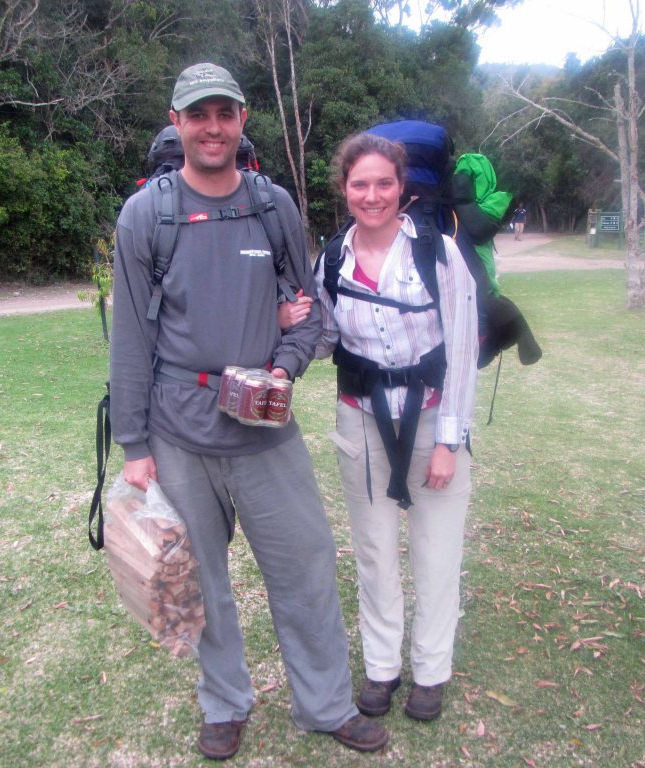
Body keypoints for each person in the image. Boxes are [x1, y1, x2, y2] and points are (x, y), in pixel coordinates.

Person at [109, 63, 388, 760]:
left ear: (241, 119)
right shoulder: (148, 214)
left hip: (265, 431)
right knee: (200, 581)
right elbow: (131, 340)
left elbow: (309, 316)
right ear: (176, 122)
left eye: (224, 113)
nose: (211, 127)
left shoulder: (273, 207)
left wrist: (282, 370)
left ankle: (325, 704)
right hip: (178, 433)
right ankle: (225, 703)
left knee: (306, 567)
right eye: (197, 114)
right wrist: (134, 445)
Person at [314, 132, 478, 723]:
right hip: (360, 420)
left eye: (384, 182)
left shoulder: (439, 254)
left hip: (432, 415)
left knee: (437, 552)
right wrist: (291, 321)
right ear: (344, 189)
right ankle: (382, 669)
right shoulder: (330, 258)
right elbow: (326, 341)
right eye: (360, 184)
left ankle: (431, 671)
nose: (373, 194)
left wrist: (449, 443)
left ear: (402, 188)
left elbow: (460, 348)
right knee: (375, 552)